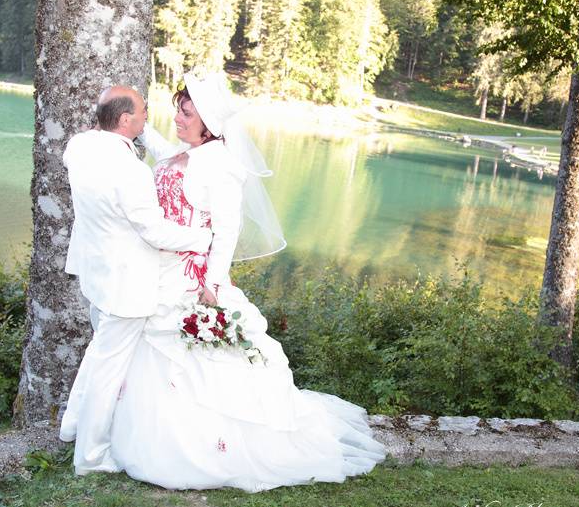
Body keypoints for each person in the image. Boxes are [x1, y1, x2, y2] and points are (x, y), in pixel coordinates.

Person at [107, 71, 386, 492]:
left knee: (197, 358)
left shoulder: (220, 165)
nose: (178, 120)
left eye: (186, 114)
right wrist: (133, 125)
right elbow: (165, 154)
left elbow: (226, 232)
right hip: (159, 271)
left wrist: (212, 286)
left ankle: (210, 451)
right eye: (178, 112)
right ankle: (146, 439)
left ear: (208, 121)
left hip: (192, 277)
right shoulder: (186, 152)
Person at [58, 85, 213, 475]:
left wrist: (139, 134)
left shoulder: (79, 146)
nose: (148, 117)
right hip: (125, 283)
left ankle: (72, 426)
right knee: (109, 370)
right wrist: (203, 238)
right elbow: (155, 233)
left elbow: (131, 141)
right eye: (143, 112)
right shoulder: (130, 172)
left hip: (95, 272)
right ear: (125, 120)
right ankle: (91, 458)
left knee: (98, 353)